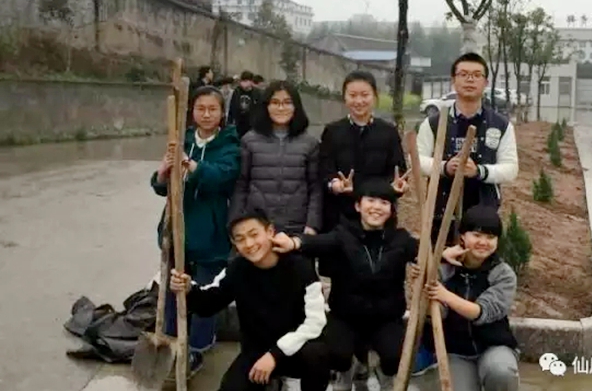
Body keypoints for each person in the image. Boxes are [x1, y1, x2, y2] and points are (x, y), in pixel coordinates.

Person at [413, 52, 518, 376]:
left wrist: (480, 170)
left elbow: (511, 168)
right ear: (453, 80)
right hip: (442, 214)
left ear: (485, 82)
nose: (469, 79)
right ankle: (429, 346)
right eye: (463, 74)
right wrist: (446, 167)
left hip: (482, 215)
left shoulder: (500, 124)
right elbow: (417, 161)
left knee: (477, 274)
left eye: (476, 74)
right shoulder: (435, 122)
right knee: (438, 275)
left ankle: (485, 341)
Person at [272, 179, 417, 391]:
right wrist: (294, 242)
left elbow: (424, 255)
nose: (377, 207)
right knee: (337, 354)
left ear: (391, 209)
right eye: (371, 200)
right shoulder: (343, 235)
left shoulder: (401, 239)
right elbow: (316, 243)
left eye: (384, 202)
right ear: (358, 206)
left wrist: (441, 255)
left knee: (395, 356)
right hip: (346, 316)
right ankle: (347, 373)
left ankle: (383, 375)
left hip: (386, 317)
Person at [169, 211, 331, 391]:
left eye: (254, 235)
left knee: (317, 355)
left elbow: (315, 323)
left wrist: (275, 355)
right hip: (256, 352)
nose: (249, 244)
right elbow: (209, 302)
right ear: (234, 243)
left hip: (297, 349)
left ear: (270, 231)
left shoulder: (301, 267)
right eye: (240, 239)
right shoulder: (237, 269)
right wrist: (188, 288)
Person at [151, 85, 240, 374]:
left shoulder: (229, 145)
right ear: (191, 113)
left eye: (212, 109)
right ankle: (170, 342)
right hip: (176, 228)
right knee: (171, 287)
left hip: (210, 233)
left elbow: (222, 177)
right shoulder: (181, 140)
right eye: (200, 109)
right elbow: (161, 188)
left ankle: (200, 346)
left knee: (204, 290)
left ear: (221, 113)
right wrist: (163, 173)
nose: (206, 114)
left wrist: (193, 166)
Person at [422, 205, 520, 391]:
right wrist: (426, 283)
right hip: (455, 352)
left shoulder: (503, 274)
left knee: (501, 372)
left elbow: (481, 312)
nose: (483, 242)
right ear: (462, 236)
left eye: (490, 237)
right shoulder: (443, 270)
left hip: (493, 346)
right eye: (476, 235)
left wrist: (446, 295)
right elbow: (436, 313)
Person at [319, 70, 408, 232]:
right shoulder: (332, 132)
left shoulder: (388, 132)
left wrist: (396, 187)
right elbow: (324, 171)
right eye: (353, 95)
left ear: (374, 96)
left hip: (378, 217)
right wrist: (335, 185)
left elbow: (398, 170)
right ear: (344, 98)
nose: (359, 101)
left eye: (365, 95)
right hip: (339, 217)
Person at [230, 80, 322, 236]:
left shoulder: (310, 143)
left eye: (287, 103)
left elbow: (315, 189)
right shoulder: (249, 141)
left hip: (297, 229)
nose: (281, 108)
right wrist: (235, 222)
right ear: (266, 106)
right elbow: (241, 185)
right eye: (275, 102)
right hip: (258, 229)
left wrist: (312, 225)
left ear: (296, 107)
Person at [228, 70, 262, 137]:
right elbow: (232, 107)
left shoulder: (257, 93)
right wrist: (230, 122)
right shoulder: (237, 91)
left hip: (251, 123)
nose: (244, 84)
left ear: (251, 82)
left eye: (246, 81)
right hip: (239, 122)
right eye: (243, 81)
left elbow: (260, 108)